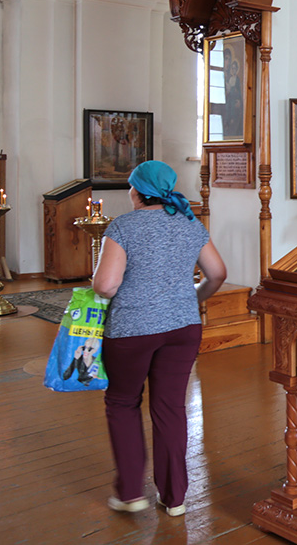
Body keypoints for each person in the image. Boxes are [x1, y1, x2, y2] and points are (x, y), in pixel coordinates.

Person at [93, 160, 226, 517]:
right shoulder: (190, 223)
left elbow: (106, 285)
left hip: (132, 329)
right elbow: (217, 273)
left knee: (123, 402)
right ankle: (174, 497)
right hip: (183, 329)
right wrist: (191, 300)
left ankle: (130, 493)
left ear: (137, 191)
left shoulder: (123, 226)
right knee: (170, 407)